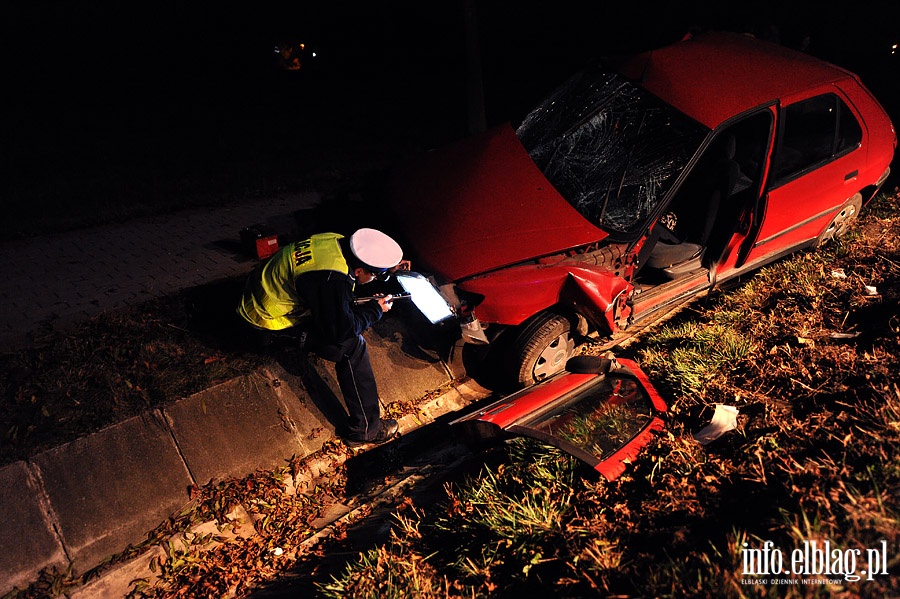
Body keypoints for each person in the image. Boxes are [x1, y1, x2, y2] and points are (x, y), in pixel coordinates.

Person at [237, 228, 410, 446]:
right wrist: (376, 311)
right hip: (265, 321)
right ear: (358, 270)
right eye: (374, 274)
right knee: (352, 346)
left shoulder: (336, 241)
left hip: (258, 293)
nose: (374, 278)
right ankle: (366, 430)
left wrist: (388, 266)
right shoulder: (331, 280)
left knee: (347, 313)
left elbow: (338, 294)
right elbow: (340, 331)